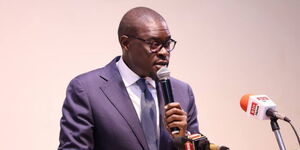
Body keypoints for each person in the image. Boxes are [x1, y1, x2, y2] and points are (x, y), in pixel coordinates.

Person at [58, 7, 199, 150]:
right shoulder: (87, 90)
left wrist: (182, 139)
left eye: (167, 44)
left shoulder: (182, 92)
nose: (164, 52)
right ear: (126, 43)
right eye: (154, 44)